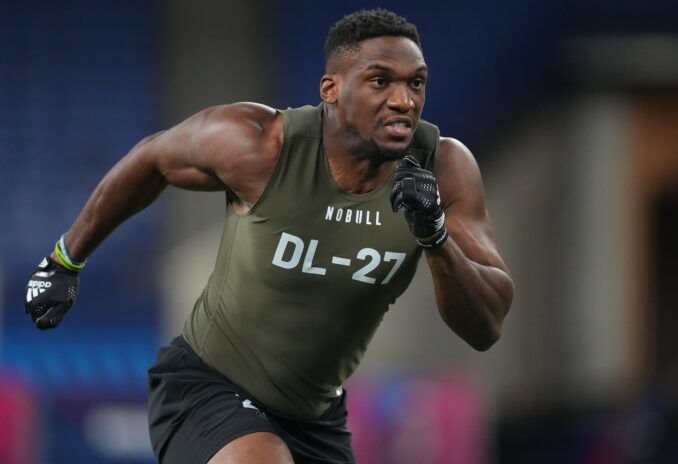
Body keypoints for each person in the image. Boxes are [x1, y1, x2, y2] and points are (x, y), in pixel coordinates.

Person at [24, 8, 514, 464]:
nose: (404, 101)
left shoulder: (444, 169)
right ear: (332, 89)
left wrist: (434, 236)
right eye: (380, 81)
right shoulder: (260, 145)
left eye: (416, 83)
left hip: (316, 416)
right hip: (206, 384)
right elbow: (151, 159)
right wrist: (65, 260)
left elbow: (486, 325)